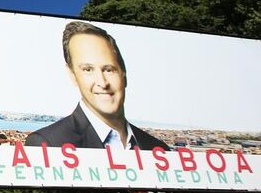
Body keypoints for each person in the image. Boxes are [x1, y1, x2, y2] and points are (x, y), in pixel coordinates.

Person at [25, 21, 168, 151]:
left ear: (124, 74)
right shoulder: (48, 144)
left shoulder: (158, 148)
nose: (102, 82)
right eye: (88, 70)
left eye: (109, 69)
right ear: (73, 75)